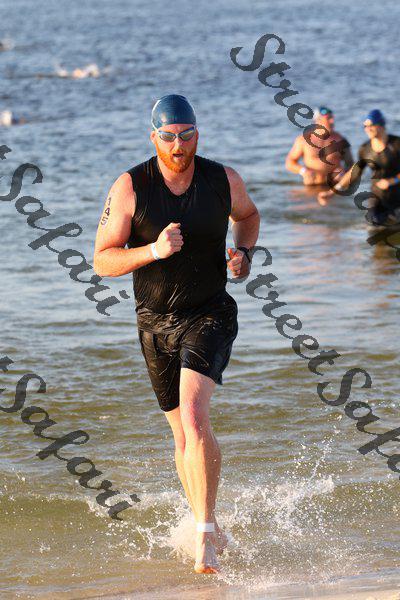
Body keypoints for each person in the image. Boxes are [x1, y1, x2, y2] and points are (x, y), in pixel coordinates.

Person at [93, 94, 260, 574]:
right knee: (182, 434)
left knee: (193, 414)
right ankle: (211, 524)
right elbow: (102, 260)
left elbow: (248, 218)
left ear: (197, 135)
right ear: (154, 137)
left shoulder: (222, 179)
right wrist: (153, 251)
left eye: (186, 136)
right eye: (168, 137)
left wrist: (244, 255)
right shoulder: (131, 186)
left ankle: (203, 535)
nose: (178, 145)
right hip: (154, 323)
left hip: (210, 313)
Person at [318, 109, 400, 225]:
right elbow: (354, 172)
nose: (367, 129)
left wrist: (393, 180)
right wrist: (333, 191)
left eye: (371, 125)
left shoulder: (396, 144)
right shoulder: (365, 149)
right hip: (378, 196)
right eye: (365, 126)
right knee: (373, 224)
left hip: (398, 195)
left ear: (381, 125)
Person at [285, 106, 353, 186]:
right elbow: (289, 162)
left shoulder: (340, 140)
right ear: (318, 120)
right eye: (329, 118)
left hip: (334, 186)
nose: (332, 121)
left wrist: (343, 172)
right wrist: (303, 171)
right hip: (312, 186)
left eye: (332, 118)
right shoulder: (303, 140)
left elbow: (350, 164)